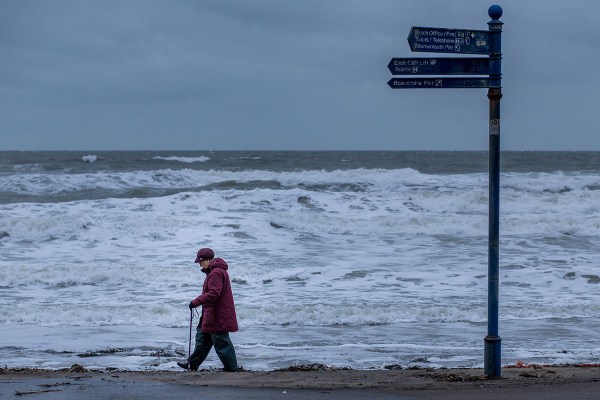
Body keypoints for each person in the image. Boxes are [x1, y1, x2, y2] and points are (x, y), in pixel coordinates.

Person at [177, 247, 239, 372]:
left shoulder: (216, 273)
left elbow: (214, 293)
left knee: (221, 343)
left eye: (200, 261)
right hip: (210, 314)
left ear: (207, 260)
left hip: (217, 315)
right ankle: (192, 364)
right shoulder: (214, 272)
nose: (199, 264)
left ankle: (232, 370)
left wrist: (196, 301)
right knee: (202, 339)